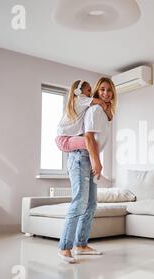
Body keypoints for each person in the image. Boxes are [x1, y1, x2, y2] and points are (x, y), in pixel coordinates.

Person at [57, 77, 117, 263]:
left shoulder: (95, 109)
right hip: (80, 157)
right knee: (80, 202)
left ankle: (81, 244)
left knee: (91, 204)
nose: (105, 94)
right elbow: (89, 138)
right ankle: (65, 247)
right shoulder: (90, 106)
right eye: (102, 90)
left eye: (110, 91)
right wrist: (96, 161)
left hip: (85, 156)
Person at [55, 79, 108, 171]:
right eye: (88, 90)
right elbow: (100, 102)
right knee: (91, 144)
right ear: (78, 91)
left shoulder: (79, 102)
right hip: (64, 140)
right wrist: (106, 109)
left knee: (92, 144)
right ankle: (96, 167)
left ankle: (95, 168)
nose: (90, 93)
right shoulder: (80, 99)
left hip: (65, 139)